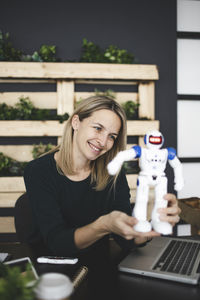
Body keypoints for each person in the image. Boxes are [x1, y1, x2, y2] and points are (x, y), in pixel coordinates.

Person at [24, 96, 181, 257]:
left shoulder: (113, 173)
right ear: (76, 122)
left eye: (112, 136)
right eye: (98, 128)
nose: (102, 141)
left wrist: (154, 224)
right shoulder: (38, 171)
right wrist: (103, 225)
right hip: (50, 269)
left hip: (99, 266)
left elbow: (126, 240)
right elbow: (57, 242)